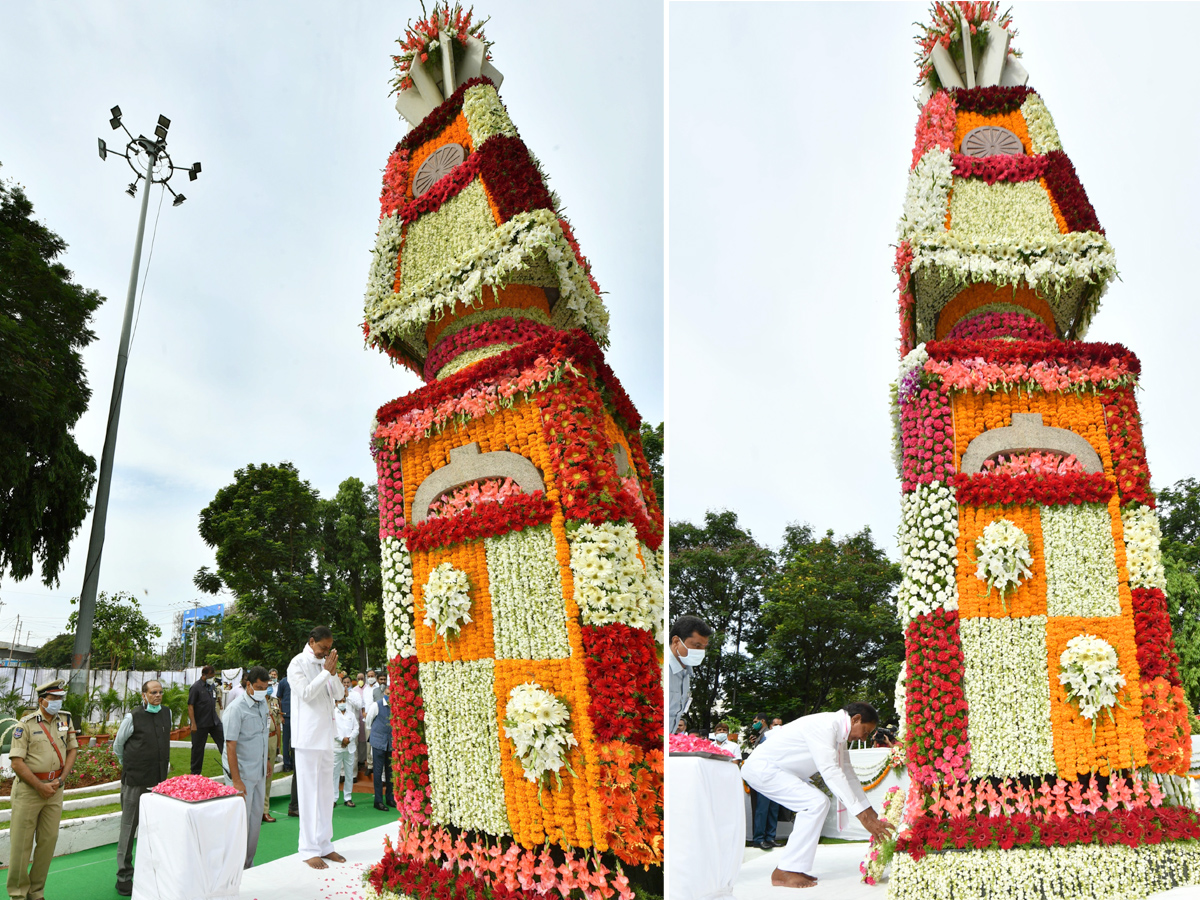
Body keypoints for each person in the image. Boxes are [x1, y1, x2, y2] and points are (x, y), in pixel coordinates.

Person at [741, 702, 895, 889]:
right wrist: (862, 817)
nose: (865, 736)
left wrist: (871, 814)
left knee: (817, 803)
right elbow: (831, 771)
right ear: (855, 719)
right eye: (865, 730)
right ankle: (785, 870)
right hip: (764, 768)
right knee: (815, 803)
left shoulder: (838, 734)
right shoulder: (825, 725)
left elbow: (848, 775)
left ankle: (793, 867)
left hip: (781, 771)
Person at [7, 679, 78, 900]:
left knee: (48, 842)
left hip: (55, 789)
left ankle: (36, 893)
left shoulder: (65, 720)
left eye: (60, 698)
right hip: (29, 791)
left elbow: (72, 750)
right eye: (54, 698)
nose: (58, 702)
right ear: (42, 700)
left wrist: (61, 780)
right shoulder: (25, 724)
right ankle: (18, 895)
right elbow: (17, 762)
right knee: (21, 846)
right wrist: (40, 787)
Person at [287, 625, 347, 869]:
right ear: (312, 641)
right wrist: (325, 673)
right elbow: (306, 694)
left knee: (325, 794)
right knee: (309, 794)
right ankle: (309, 848)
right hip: (307, 739)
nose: (326, 652)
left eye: (329, 649)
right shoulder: (297, 664)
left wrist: (332, 674)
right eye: (323, 647)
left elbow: (339, 694)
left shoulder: (326, 666)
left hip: (326, 737)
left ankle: (325, 844)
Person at [112, 679, 172, 895]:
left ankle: (150, 872)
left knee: (155, 828)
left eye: (160, 692)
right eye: (153, 692)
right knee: (129, 829)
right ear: (144, 695)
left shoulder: (167, 713)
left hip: (158, 781)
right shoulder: (133, 716)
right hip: (135, 781)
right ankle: (124, 876)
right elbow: (118, 745)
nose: (157, 695)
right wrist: (130, 765)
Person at [223, 666, 272, 869]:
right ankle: (232, 867)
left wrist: (267, 760)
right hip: (241, 774)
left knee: (254, 824)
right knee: (239, 824)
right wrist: (236, 780)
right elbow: (230, 746)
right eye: (259, 687)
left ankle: (247, 865)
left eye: (266, 687)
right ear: (248, 685)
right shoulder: (235, 709)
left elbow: (263, 735)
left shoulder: (263, 705)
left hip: (259, 772)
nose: (262, 691)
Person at [667, 615, 712, 734]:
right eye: (697, 645)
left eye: (704, 647)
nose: (701, 651)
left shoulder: (686, 673)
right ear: (676, 641)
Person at [744, 713, 782, 853]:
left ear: (763, 721)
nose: (754, 724)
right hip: (764, 776)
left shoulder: (769, 735)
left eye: (755, 721)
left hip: (773, 775)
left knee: (772, 808)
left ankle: (769, 837)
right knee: (763, 808)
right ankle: (759, 839)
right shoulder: (761, 735)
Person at [363, 676, 395, 811]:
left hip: (391, 743)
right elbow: (369, 722)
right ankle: (378, 801)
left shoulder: (395, 706)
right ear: (384, 693)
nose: (389, 696)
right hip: (378, 742)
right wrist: (377, 735)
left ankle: (390, 798)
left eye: (391, 694)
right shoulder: (376, 705)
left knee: (390, 772)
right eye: (387, 694)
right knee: (377, 771)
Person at [188, 665, 224, 774]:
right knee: (198, 750)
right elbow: (190, 706)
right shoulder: (195, 687)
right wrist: (193, 723)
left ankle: (231, 768)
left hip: (214, 721)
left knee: (224, 743)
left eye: (213, 676)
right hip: (200, 723)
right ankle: (195, 774)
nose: (212, 678)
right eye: (210, 676)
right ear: (204, 675)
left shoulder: (212, 686)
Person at [332, 688, 358, 807]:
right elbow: (331, 730)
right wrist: (341, 739)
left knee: (349, 773)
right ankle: (333, 798)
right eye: (340, 701)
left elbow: (356, 729)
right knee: (335, 773)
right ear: (336, 702)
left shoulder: (351, 714)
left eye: (343, 701)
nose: (342, 703)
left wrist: (349, 739)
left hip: (349, 747)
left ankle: (348, 797)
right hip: (337, 747)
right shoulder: (332, 715)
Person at [263, 683, 284, 823]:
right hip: (259, 738)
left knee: (268, 777)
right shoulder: (256, 701)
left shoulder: (274, 702)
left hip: (272, 738)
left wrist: (278, 745)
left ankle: (265, 810)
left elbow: (277, 723)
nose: (268, 688)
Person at [276, 671, 293, 771]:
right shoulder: (283, 682)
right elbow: (279, 699)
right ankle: (287, 764)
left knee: (296, 742)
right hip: (286, 716)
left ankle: (294, 762)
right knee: (286, 741)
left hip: (297, 717)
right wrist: (281, 715)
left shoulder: (299, 681)